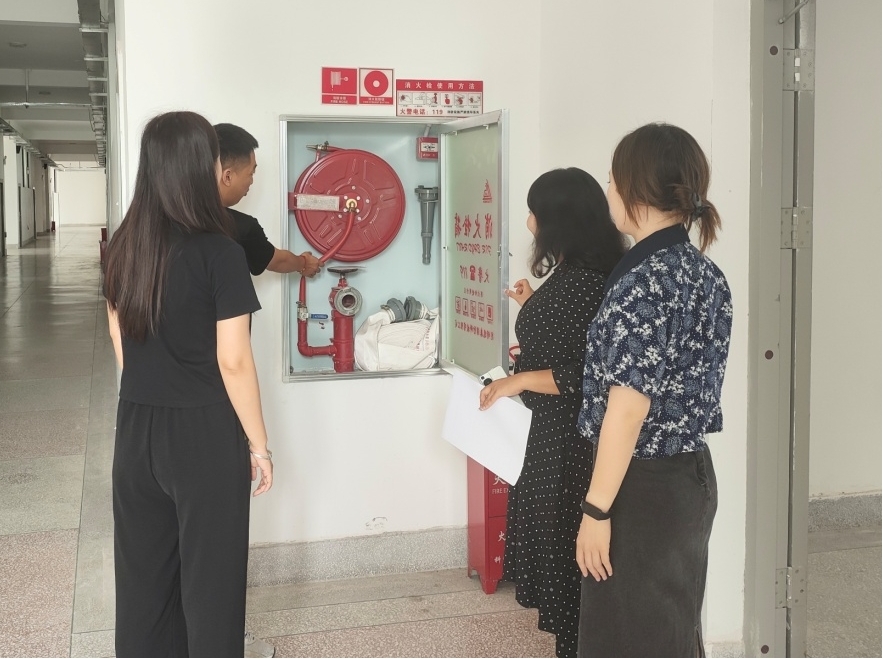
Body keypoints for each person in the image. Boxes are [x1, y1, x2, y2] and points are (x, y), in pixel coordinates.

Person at [103, 111, 273, 657]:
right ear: (201, 166)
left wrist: (152, 386)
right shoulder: (219, 252)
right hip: (203, 431)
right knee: (212, 583)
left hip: (136, 426)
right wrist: (259, 446)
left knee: (143, 580)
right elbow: (234, 361)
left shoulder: (124, 245)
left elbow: (119, 337)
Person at [575, 123, 733, 657]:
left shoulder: (644, 281)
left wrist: (597, 512)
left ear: (635, 189)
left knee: (630, 638)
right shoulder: (704, 273)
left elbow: (627, 410)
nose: (609, 191)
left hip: (640, 487)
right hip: (688, 476)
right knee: (669, 630)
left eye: (612, 180)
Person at [478, 168, 627, 657]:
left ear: (557, 219)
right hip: (549, 435)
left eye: (534, 211)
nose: (529, 221)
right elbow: (565, 339)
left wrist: (519, 380)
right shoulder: (576, 271)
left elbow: (589, 373)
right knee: (559, 555)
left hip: (569, 442)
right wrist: (531, 302)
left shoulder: (586, 282)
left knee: (567, 560)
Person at [215, 122, 317, 657]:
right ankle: (220, 641)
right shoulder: (229, 238)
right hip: (216, 406)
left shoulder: (144, 232)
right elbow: (233, 360)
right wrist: (260, 445)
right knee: (218, 538)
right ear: (225, 172)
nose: (254, 180)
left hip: (152, 410)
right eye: (251, 171)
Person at [215, 122, 321, 278]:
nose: (251, 181)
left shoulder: (176, 215)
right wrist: (304, 263)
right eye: (251, 173)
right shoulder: (241, 227)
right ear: (228, 176)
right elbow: (278, 261)